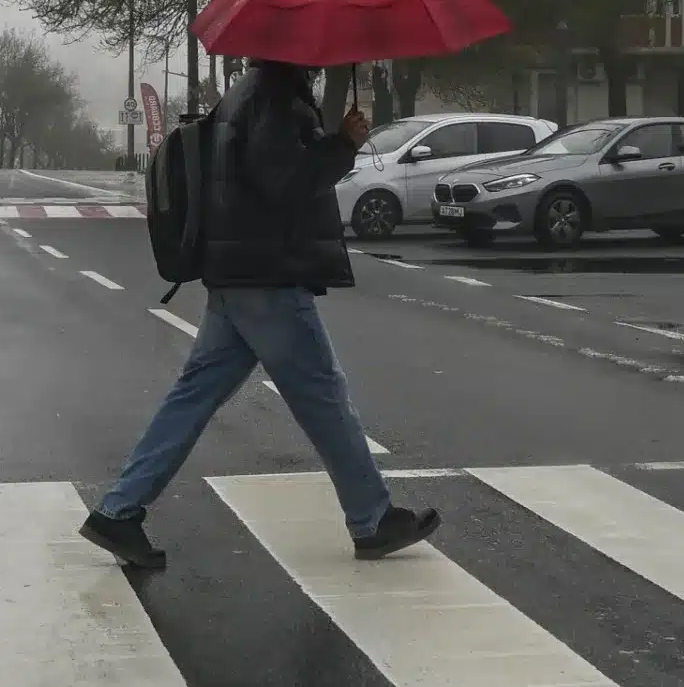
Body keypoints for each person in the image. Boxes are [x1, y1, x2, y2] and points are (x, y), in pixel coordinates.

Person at [80, 59, 441, 566]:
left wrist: (331, 140)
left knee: (194, 395)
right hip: (268, 274)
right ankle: (372, 517)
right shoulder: (274, 100)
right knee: (323, 394)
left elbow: (263, 176)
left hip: (237, 271)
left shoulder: (248, 94)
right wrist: (342, 145)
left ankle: (117, 512)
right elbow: (282, 184)